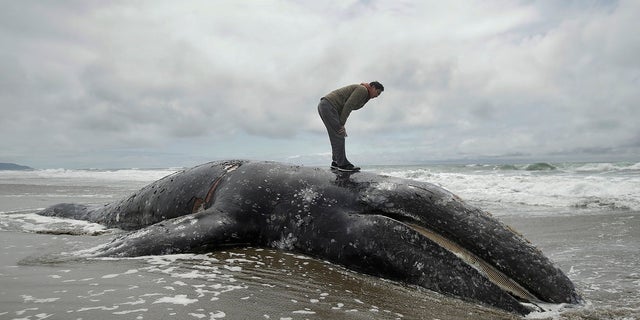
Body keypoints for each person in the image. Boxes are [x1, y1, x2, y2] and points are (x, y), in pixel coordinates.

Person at [317, 81, 384, 172]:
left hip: (328, 107)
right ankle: (342, 164)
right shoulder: (362, 90)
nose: (377, 96)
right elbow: (348, 105)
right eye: (378, 92)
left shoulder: (365, 95)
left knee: (337, 135)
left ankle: (336, 162)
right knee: (339, 134)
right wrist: (342, 124)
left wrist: (341, 123)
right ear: (372, 87)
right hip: (328, 106)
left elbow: (345, 106)